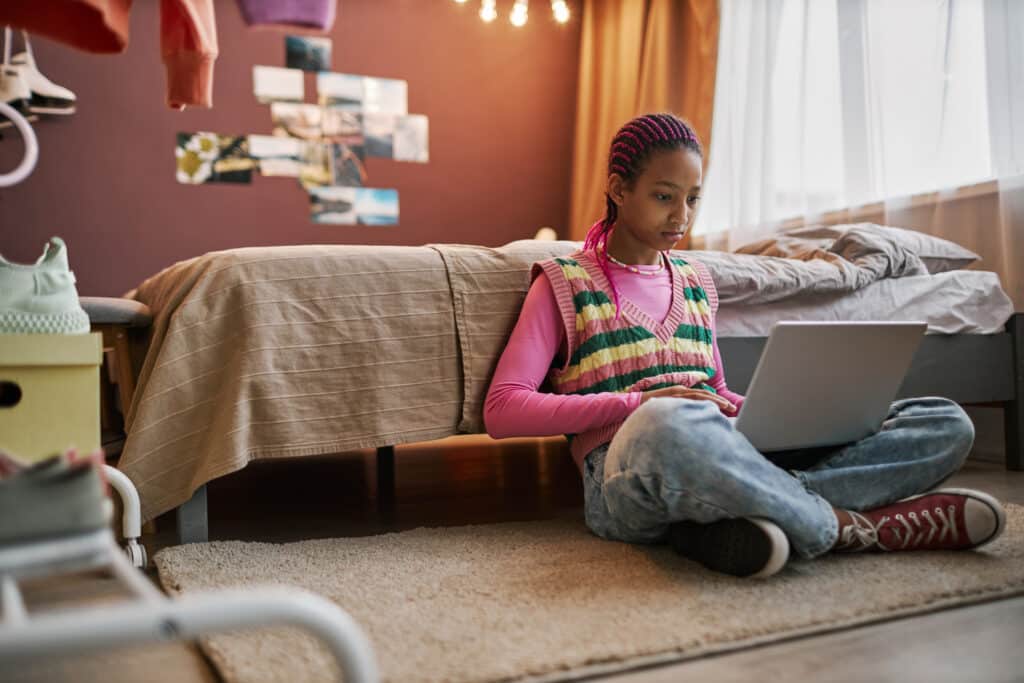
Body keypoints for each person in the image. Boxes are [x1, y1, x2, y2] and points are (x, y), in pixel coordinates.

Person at [483, 112, 1006, 579]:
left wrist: (782, 415)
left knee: (942, 421)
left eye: (693, 199)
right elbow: (504, 410)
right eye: (664, 196)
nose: (681, 216)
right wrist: (641, 403)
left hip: (730, 449)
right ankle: (851, 527)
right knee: (667, 425)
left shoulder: (696, 281)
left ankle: (741, 515)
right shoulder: (564, 282)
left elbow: (716, 391)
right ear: (620, 189)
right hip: (626, 470)